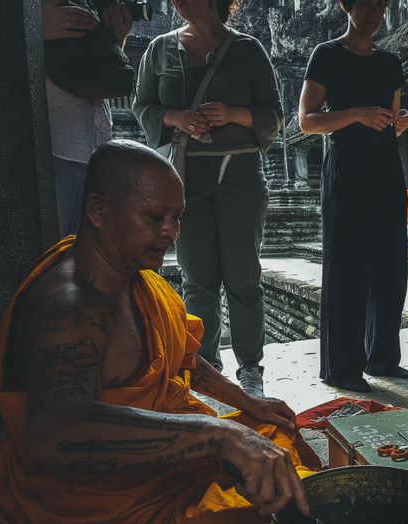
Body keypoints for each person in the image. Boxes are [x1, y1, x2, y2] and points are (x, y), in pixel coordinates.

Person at [0, 141, 313, 524]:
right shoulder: (71, 306)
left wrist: (247, 404)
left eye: (177, 216)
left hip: (167, 463)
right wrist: (218, 435)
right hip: (111, 514)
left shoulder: (135, 276)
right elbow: (54, 431)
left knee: (280, 440)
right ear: (99, 210)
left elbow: (180, 356)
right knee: (277, 523)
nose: (171, 232)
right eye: (154, 218)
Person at [133, 0, 283, 398]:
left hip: (240, 175)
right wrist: (175, 118)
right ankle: (205, 368)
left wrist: (234, 113)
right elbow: (142, 106)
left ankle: (250, 369)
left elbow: (274, 115)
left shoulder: (248, 49)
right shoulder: (159, 49)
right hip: (185, 177)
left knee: (243, 278)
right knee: (197, 280)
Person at [299, 0, 408, 393]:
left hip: (385, 168)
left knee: (390, 264)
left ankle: (383, 357)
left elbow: (392, 124)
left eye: (380, 5)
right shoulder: (327, 55)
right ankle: (342, 367)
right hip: (347, 169)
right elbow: (308, 121)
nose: (373, 11)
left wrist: (401, 121)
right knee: (348, 266)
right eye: (364, 4)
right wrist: (357, 113)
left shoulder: (390, 62)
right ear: (348, 6)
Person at [42, 0, 132, 236]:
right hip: (49, 144)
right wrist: (33, 27)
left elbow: (95, 76)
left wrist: (114, 41)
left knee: (87, 252)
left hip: (94, 147)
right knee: (49, 251)